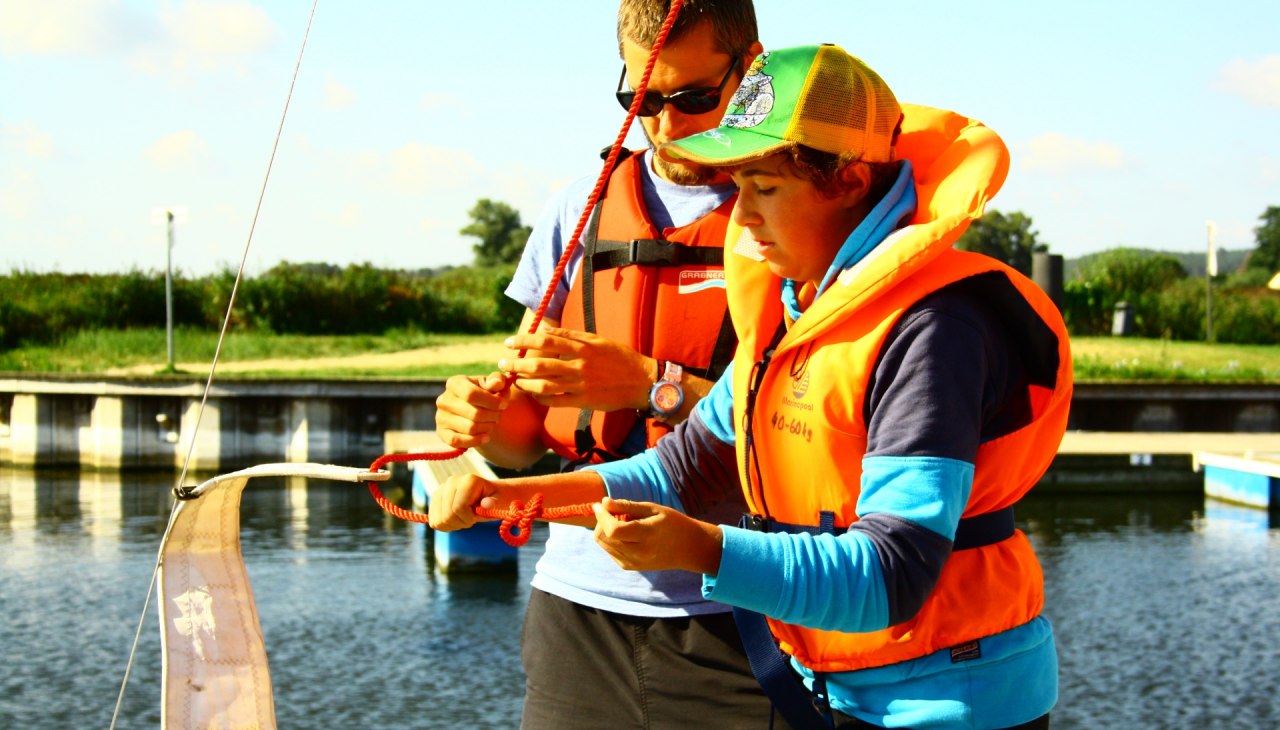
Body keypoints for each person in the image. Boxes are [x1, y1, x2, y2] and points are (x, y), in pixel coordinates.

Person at [431, 43, 1073, 729]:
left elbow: (894, 575)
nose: (744, 216)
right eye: (738, 188)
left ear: (851, 179)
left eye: (765, 188)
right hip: (846, 693)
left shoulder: (933, 328)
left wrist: (703, 549)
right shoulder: (794, 310)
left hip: (957, 703)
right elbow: (680, 470)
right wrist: (510, 495)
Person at [432, 1, 772, 728]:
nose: (667, 124)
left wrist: (657, 388)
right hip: (576, 618)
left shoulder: (790, 212)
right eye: (642, 100)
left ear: (750, 66)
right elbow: (521, 437)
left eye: (693, 99)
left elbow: (818, 429)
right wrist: (479, 423)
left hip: (743, 619)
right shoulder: (575, 212)